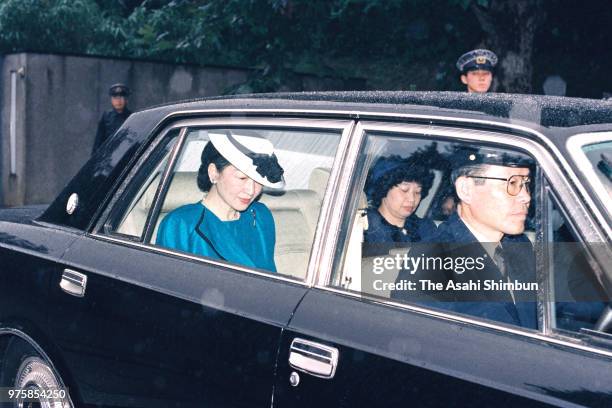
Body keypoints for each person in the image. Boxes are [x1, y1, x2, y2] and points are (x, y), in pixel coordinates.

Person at [392, 147, 538, 329]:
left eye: (526, 184)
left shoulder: (519, 244)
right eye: (512, 183)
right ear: (466, 190)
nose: (526, 196)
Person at [156, 131, 285, 273]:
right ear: (214, 173)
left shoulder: (261, 215)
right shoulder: (181, 224)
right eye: (241, 178)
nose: (251, 190)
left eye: (259, 182)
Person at [363, 155, 437, 256]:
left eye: (418, 192)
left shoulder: (426, 228)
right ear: (384, 189)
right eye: (404, 190)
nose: (412, 199)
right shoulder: (366, 228)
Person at [92, 83, 132, 154]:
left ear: (126, 99)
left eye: (121, 97)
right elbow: (98, 143)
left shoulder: (132, 117)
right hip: (109, 157)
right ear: (111, 100)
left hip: (127, 155)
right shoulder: (106, 117)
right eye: (115, 97)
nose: (118, 101)